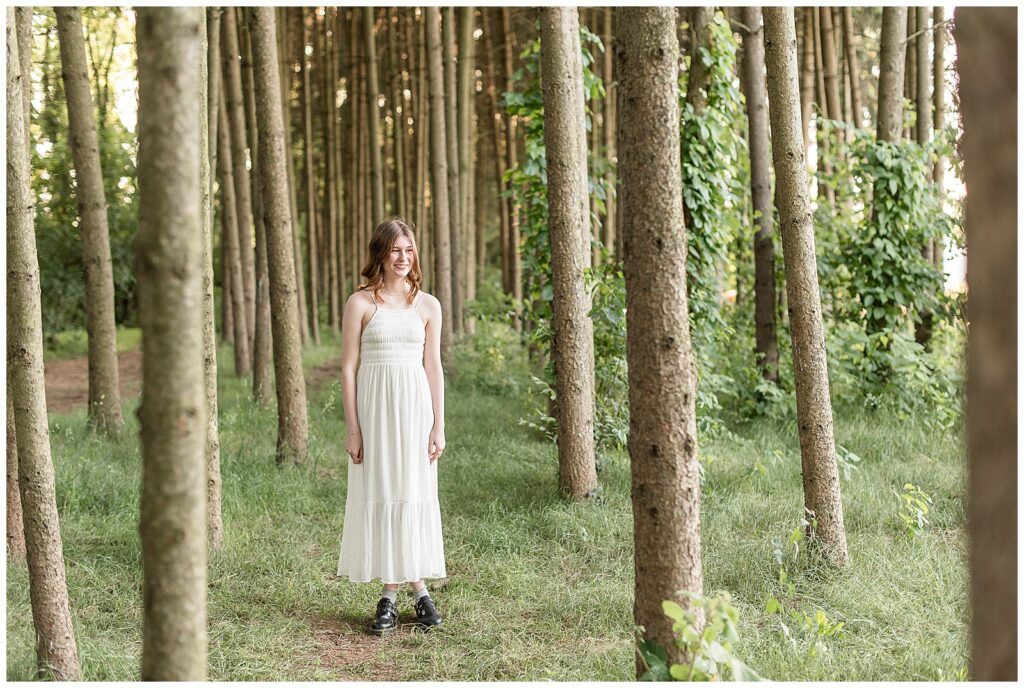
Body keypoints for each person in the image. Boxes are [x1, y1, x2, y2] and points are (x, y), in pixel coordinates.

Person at [337, 218, 447, 635]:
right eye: (395, 250)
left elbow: (433, 367)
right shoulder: (361, 304)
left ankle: (413, 591)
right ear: (380, 254)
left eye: (409, 250)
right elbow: (348, 368)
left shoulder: (428, 305)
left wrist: (438, 424)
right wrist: (353, 428)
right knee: (383, 490)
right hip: (375, 409)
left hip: (415, 409)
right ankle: (394, 594)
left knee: (414, 492)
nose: (403, 258)